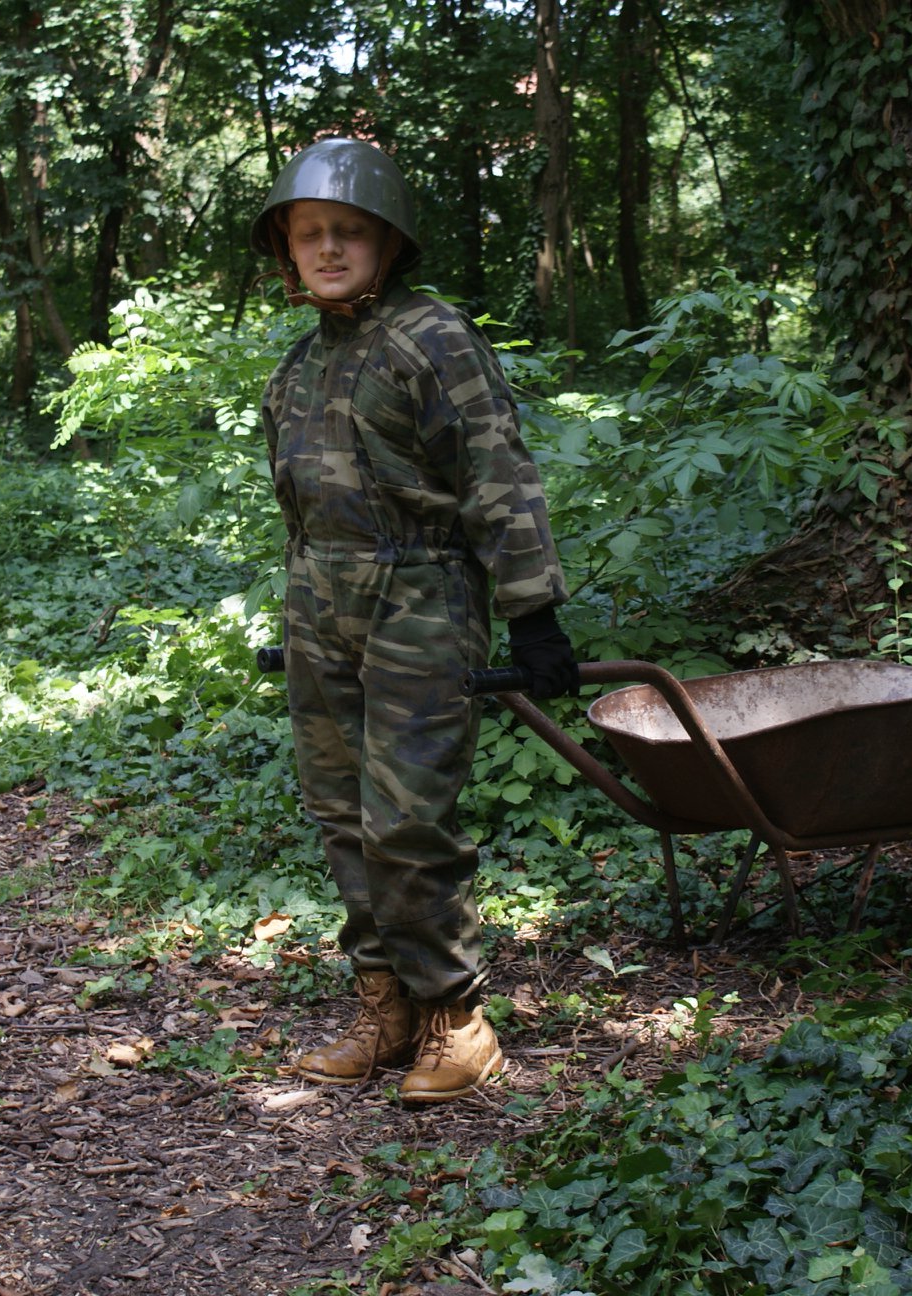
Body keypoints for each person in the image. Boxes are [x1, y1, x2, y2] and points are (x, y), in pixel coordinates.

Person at [251, 138, 578, 1103]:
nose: (329, 248)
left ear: (389, 243)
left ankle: (456, 1020)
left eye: (349, 231)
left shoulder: (432, 337)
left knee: (405, 819)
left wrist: (532, 613)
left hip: (420, 597)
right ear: (286, 249)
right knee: (341, 814)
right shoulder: (301, 363)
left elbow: (497, 472)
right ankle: (385, 1005)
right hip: (319, 603)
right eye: (309, 233)